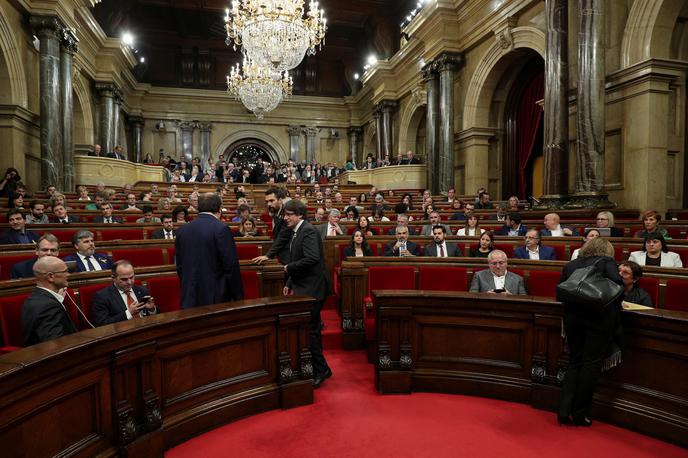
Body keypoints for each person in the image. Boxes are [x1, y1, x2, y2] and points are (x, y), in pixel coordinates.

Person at [557, 237, 623, 426]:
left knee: (574, 361)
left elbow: (561, 288)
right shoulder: (607, 262)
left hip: (571, 318)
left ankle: (563, 410)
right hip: (597, 318)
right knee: (591, 363)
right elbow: (617, 284)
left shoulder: (572, 264)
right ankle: (580, 413)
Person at [280, 199, 332, 388]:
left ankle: (320, 370)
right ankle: (323, 368)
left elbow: (311, 258)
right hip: (304, 286)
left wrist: (288, 268)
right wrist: (290, 282)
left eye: (289, 214)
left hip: (313, 289)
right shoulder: (297, 231)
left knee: (311, 332)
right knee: (312, 330)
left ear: (300, 215)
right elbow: (300, 258)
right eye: (285, 214)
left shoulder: (308, 230)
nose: (285, 218)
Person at [176, 193, 243, 308]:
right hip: (215, 298)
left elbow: (180, 266)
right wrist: (238, 297)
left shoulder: (182, 230)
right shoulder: (221, 229)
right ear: (219, 208)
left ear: (199, 207)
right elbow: (230, 266)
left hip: (189, 297)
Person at [21, 256, 77, 346]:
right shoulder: (48, 306)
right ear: (50, 276)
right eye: (65, 271)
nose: (68, 274)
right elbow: (55, 344)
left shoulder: (37, 298)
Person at [92, 260, 157, 326]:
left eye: (131, 277)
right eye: (124, 279)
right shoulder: (102, 296)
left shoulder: (142, 290)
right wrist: (129, 313)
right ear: (113, 278)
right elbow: (102, 323)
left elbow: (155, 317)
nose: (129, 282)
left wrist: (151, 309)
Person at [252, 187, 291, 265]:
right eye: (267, 202)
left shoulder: (286, 214)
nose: (269, 204)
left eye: (271, 200)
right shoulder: (276, 213)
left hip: (290, 258)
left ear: (280, 200)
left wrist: (268, 255)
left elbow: (282, 237)